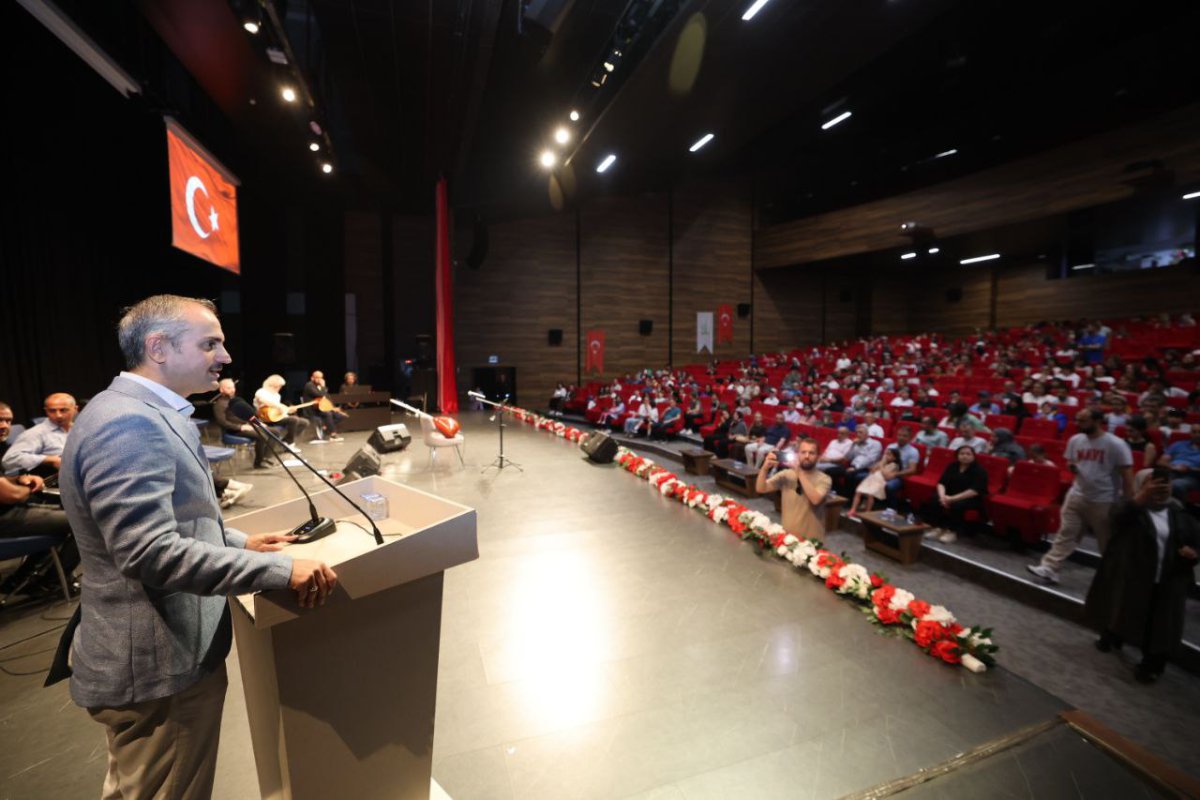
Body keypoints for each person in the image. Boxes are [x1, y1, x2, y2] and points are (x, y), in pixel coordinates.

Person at [56, 294, 338, 798]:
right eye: (210, 344)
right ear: (159, 347)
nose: (225, 357)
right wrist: (280, 571)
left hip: (159, 660)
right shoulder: (128, 424)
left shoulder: (139, 411)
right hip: (156, 668)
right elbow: (149, 552)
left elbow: (177, 522)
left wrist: (243, 541)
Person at [1086, 467, 1199, 683]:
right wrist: (1142, 497)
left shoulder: (1178, 511)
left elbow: (1195, 541)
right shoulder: (1130, 507)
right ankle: (1112, 636)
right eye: (1151, 482)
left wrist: (1193, 553)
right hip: (1133, 574)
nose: (1159, 487)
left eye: (1164, 483)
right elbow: (1116, 518)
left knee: (1161, 624)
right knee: (1123, 607)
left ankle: (1151, 666)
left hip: (1168, 578)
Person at [1027, 409, 1133, 584]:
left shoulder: (1115, 444)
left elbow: (1127, 472)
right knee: (1066, 532)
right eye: (1077, 420)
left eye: (1083, 420)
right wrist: (1072, 467)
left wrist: (1130, 501)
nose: (1078, 423)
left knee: (1106, 541)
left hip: (1104, 498)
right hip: (1077, 493)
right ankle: (1050, 568)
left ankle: (1115, 576)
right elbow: (1071, 461)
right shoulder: (1076, 440)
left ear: (1098, 421)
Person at [0, 471, 80, 598]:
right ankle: (51, 583)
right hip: (5, 520)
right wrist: (29, 487)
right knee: (85, 521)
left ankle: (18, 579)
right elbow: (13, 495)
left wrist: (20, 478)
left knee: (70, 511)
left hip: (12, 511)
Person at [757, 438, 832, 540]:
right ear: (797, 455)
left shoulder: (824, 479)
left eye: (811, 453)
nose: (807, 456)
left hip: (812, 540)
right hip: (787, 536)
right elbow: (761, 489)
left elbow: (815, 499)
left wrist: (799, 472)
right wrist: (765, 468)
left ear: (818, 457)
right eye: (803, 452)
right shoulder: (786, 474)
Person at [920, 445, 989, 544]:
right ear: (957, 455)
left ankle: (952, 531)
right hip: (950, 495)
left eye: (968, 454)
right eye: (962, 454)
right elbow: (941, 483)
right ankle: (937, 527)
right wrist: (942, 496)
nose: (965, 456)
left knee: (958, 505)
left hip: (971, 498)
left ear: (973, 456)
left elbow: (974, 491)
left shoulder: (979, 471)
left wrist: (952, 499)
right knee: (935, 498)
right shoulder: (952, 466)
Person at [2, 392, 77, 477]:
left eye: (63, 410)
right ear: (46, 411)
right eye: (52, 411)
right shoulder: (36, 433)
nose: (58, 415)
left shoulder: (79, 430)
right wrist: (49, 459)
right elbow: (9, 460)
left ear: (75, 409)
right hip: (55, 481)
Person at [212, 379, 275, 469]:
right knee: (262, 436)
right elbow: (222, 422)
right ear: (221, 389)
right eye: (229, 388)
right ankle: (258, 463)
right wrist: (240, 427)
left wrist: (256, 424)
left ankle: (265, 457)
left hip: (246, 425)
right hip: (232, 430)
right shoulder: (220, 404)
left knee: (273, 432)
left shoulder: (236, 401)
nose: (232, 390)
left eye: (233, 387)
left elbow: (246, 415)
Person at [253, 375, 310, 449]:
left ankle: (286, 441)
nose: (279, 388)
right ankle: (289, 443)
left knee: (304, 422)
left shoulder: (277, 395)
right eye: (278, 386)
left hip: (276, 418)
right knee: (294, 419)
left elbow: (277, 411)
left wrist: (287, 411)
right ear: (273, 384)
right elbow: (263, 400)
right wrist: (280, 406)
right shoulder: (261, 391)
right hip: (265, 419)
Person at [848, 447, 899, 517]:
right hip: (872, 479)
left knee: (870, 494)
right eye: (886, 454)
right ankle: (853, 509)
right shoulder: (882, 462)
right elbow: (872, 471)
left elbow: (886, 476)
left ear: (894, 458)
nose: (886, 456)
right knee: (858, 491)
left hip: (880, 481)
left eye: (889, 454)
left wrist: (881, 465)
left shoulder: (894, 465)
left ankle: (867, 512)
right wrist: (880, 463)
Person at [302, 370, 348, 442]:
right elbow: (320, 395)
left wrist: (333, 407)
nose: (319, 379)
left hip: (323, 408)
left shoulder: (320, 387)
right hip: (313, 410)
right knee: (328, 413)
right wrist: (323, 386)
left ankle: (325, 427)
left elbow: (327, 398)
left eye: (321, 378)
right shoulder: (309, 385)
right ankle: (333, 435)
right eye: (317, 377)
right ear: (312, 378)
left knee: (341, 416)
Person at [1160, 426, 1200, 501]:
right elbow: (1161, 461)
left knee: (1176, 484)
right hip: (1172, 471)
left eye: (1199, 432)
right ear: (1190, 433)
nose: (1197, 435)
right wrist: (1172, 466)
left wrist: (1190, 469)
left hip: (1192, 477)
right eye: (1194, 432)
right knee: (1149, 477)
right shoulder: (1179, 444)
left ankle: (1181, 509)